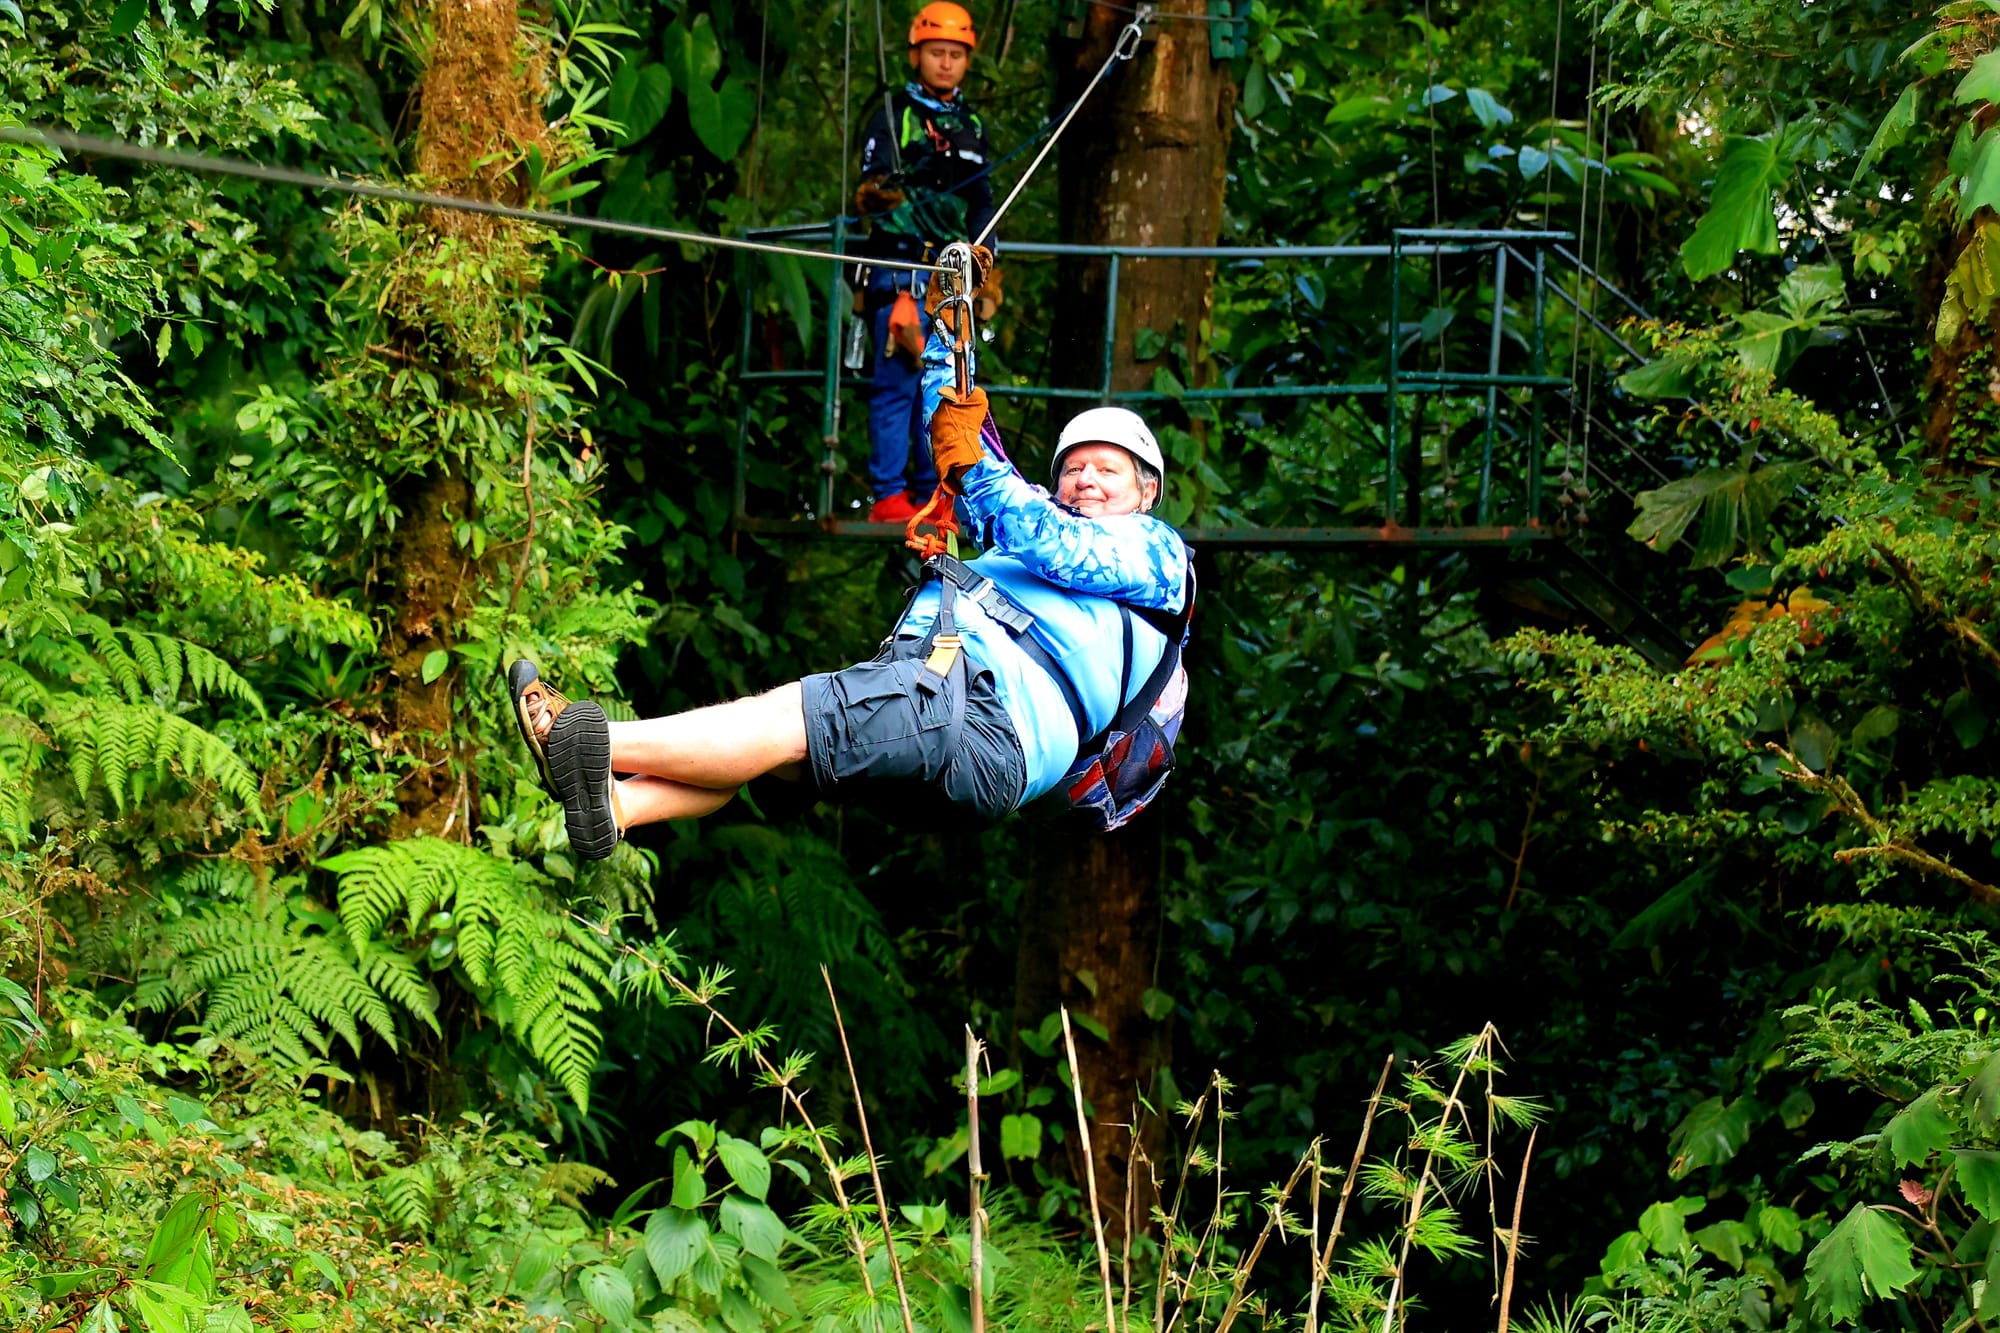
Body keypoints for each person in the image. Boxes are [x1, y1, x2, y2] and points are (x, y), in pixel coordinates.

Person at [508, 299, 1189, 858]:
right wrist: (948, 340)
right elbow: (956, 435)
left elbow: (1048, 535)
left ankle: (581, 740)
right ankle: (619, 807)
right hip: (957, 718)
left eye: (1109, 470)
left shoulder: (1155, 554)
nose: (1087, 480)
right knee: (771, 751)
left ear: (1147, 491)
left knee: (789, 716)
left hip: (980, 715)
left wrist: (979, 470)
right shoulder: (1033, 521)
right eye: (1076, 467)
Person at [850, 1, 999, 524]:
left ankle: (931, 494)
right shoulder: (894, 113)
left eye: (955, 54)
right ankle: (890, 494)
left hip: (949, 274)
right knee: (898, 383)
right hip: (898, 270)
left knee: (944, 387)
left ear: (966, 60)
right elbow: (870, 187)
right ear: (918, 56)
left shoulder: (972, 123)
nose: (945, 63)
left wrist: (988, 251)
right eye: (937, 52)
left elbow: (983, 198)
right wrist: (879, 194)